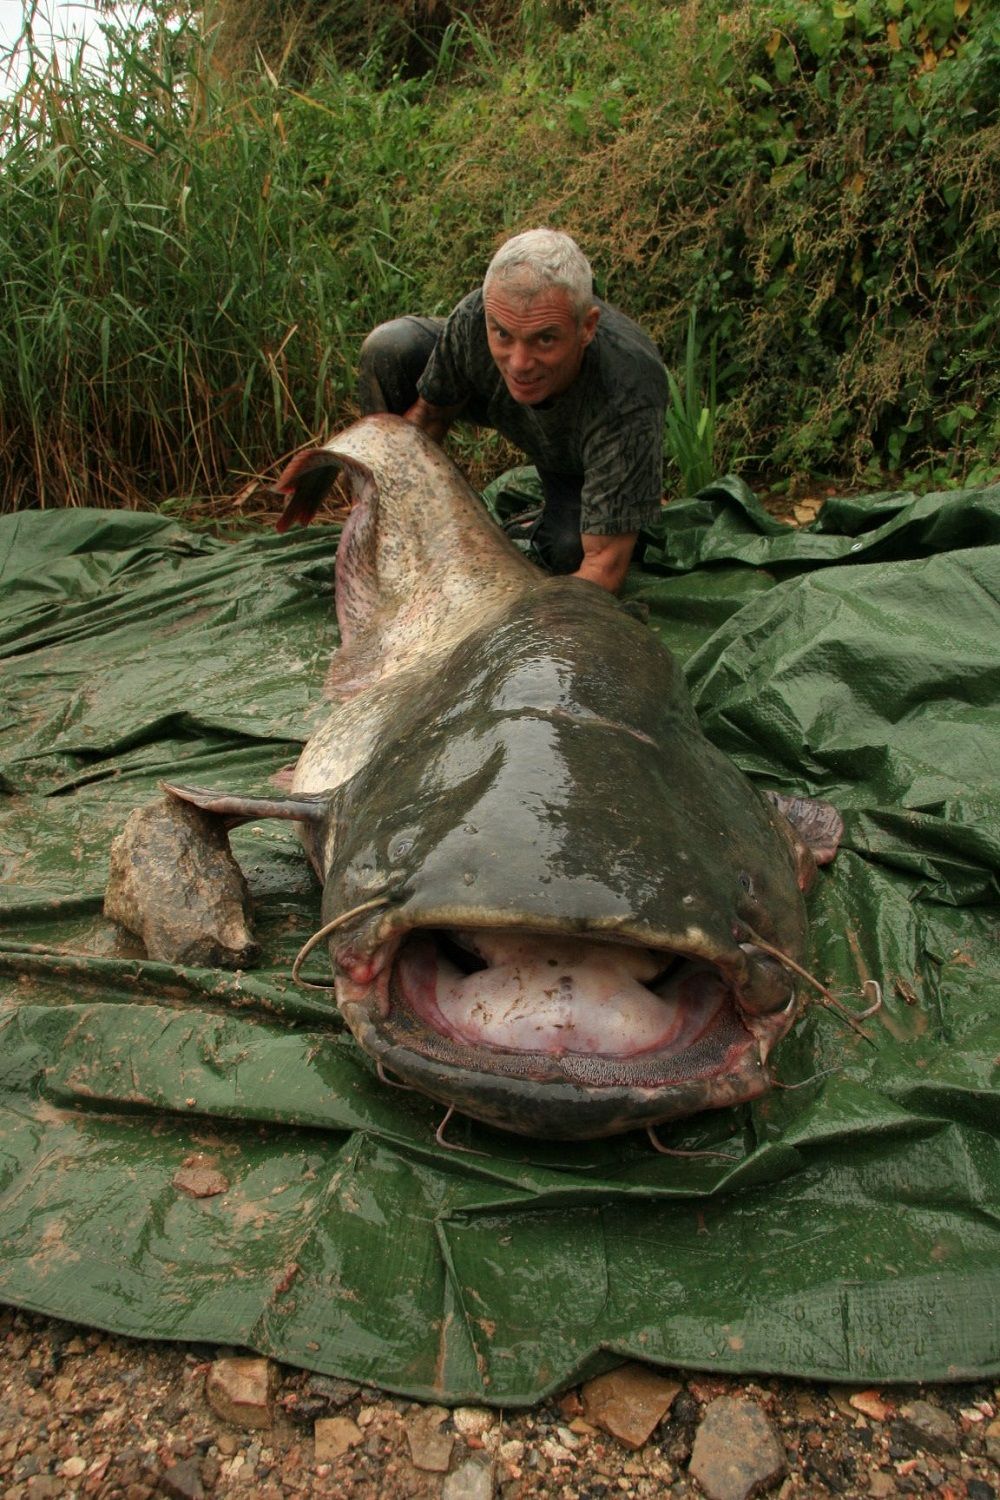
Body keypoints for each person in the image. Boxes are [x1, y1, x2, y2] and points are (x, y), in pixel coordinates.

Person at [357, 228, 668, 594]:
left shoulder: (628, 388)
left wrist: (511, 629)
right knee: (391, 348)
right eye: (502, 334)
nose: (519, 363)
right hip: (501, 402)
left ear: (586, 328)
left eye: (545, 338)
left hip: (577, 460)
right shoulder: (474, 319)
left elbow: (603, 567)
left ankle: (555, 517)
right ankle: (388, 525)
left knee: (568, 551)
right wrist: (379, 508)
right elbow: (428, 417)